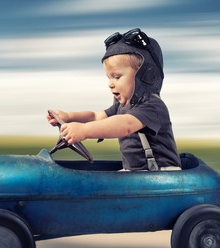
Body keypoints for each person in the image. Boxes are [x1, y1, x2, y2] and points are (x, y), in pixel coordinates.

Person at [47, 28, 181, 171]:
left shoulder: (152, 106)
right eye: (109, 78)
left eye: (117, 77)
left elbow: (126, 125)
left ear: (145, 76)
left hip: (162, 174)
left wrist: (84, 130)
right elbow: (96, 116)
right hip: (137, 173)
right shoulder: (122, 106)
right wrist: (68, 117)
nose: (110, 84)